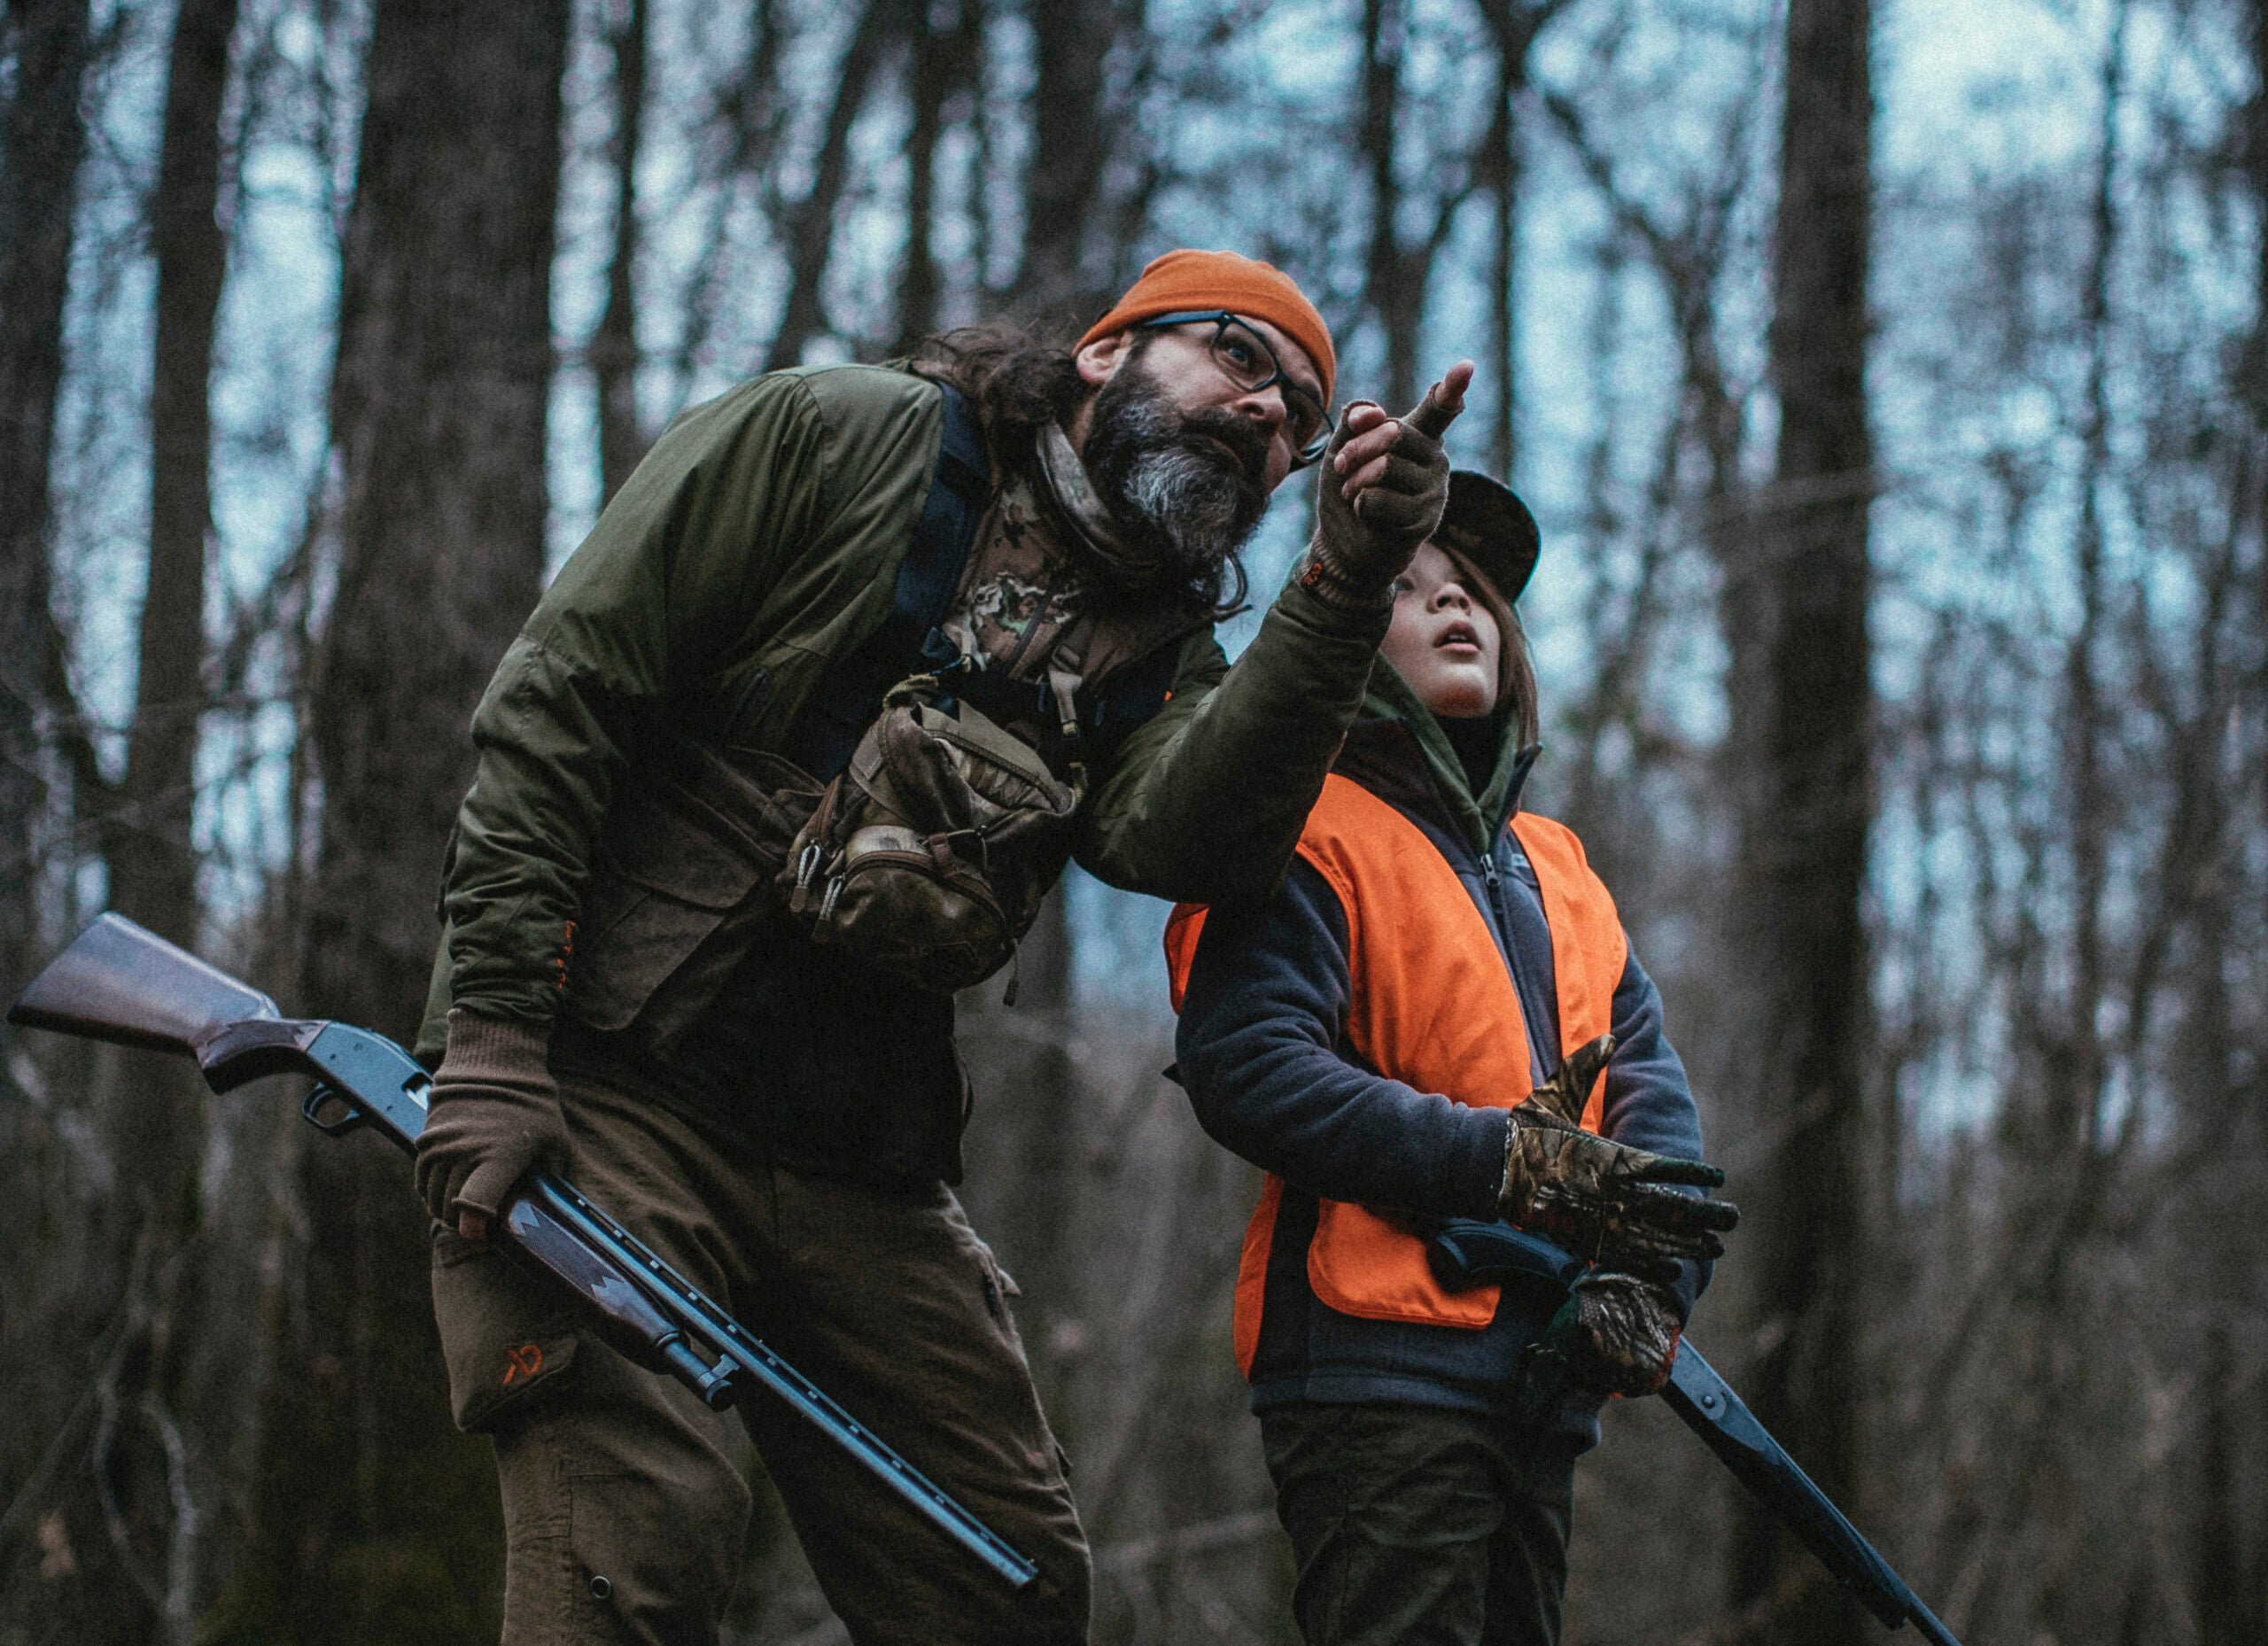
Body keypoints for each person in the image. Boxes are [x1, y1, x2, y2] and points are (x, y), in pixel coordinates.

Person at [408, 247, 1476, 1645]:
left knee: (1007, 1583)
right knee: (638, 1550)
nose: (1267, 415)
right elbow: (562, 700)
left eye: (1299, 422)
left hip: (855, 1152)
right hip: (609, 1090)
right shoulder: (839, 437)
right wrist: (493, 1042)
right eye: (1238, 356)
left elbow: (1198, 845)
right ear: (1105, 352)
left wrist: (1346, 578)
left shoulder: (1167, 664)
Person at [1165, 473, 1738, 1646]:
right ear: (1342, 641)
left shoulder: (1561, 867)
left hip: (1545, 1382)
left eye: (1473, 587)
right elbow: (1251, 1069)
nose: (1451, 602)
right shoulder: (1300, 829)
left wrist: (1651, 1281)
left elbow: (1648, 1091)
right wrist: (1507, 1165)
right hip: (1375, 1375)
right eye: (1407, 588)